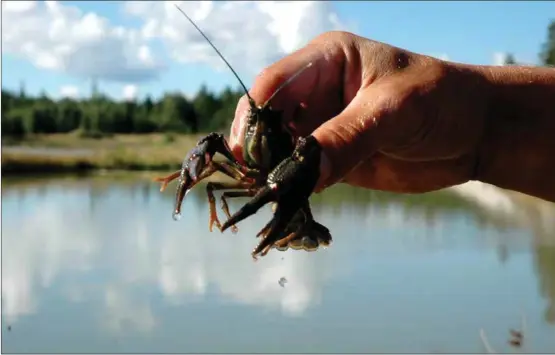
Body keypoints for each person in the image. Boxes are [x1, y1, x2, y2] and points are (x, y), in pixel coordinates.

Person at [229, 31, 555, 203]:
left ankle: (297, 224)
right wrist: (482, 136)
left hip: (288, 193)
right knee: (213, 144)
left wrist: (484, 134)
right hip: (276, 187)